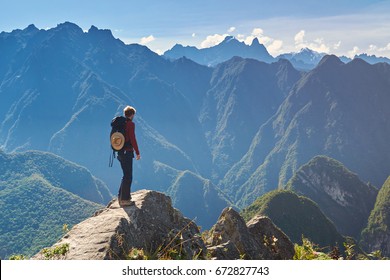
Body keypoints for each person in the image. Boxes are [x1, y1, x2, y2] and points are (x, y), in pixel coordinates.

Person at [117, 106, 141, 206]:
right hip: (127, 152)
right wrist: (137, 152)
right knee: (128, 176)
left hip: (120, 152)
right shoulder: (130, 124)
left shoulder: (121, 124)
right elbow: (132, 139)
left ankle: (120, 197)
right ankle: (125, 200)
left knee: (125, 175)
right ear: (132, 115)